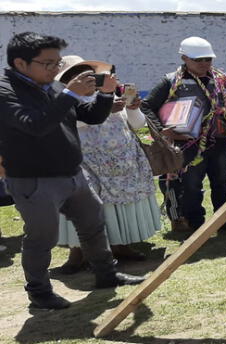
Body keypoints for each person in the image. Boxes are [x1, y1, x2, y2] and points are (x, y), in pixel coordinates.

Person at [0, 32, 144, 310]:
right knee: (42, 237)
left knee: (93, 224)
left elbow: (91, 115)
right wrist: (68, 93)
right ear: (20, 63)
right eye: (49, 63)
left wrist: (104, 94)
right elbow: (35, 125)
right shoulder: (6, 92)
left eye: (57, 63)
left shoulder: (49, 87)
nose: (56, 70)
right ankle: (39, 292)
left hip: (72, 174)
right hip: (34, 179)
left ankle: (106, 274)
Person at [54, 55, 161, 273]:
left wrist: (132, 108)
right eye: (74, 74)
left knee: (116, 205)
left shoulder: (111, 93)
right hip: (86, 162)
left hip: (121, 162)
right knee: (83, 205)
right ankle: (77, 253)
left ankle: (120, 245)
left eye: (86, 73)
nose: (83, 78)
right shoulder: (63, 100)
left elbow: (137, 124)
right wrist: (104, 108)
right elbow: (70, 121)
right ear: (65, 79)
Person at [141, 37, 226, 233]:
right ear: (184, 58)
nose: (204, 63)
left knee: (222, 182)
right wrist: (162, 131)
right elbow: (147, 106)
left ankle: (224, 220)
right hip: (188, 144)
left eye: (208, 59)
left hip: (219, 142)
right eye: (199, 60)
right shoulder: (172, 80)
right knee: (191, 184)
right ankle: (195, 222)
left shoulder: (222, 80)